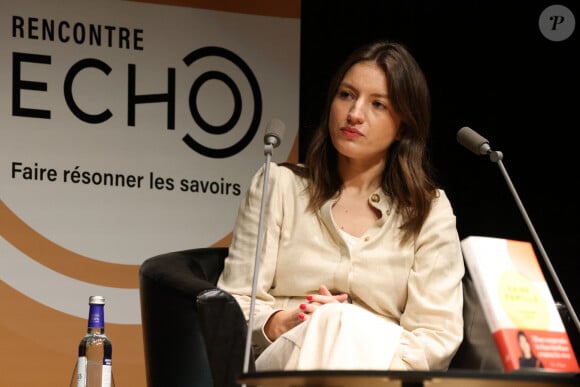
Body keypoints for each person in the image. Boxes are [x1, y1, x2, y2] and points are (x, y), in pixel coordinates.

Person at [217, 39, 464, 371]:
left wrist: (352, 330)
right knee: (331, 322)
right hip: (283, 362)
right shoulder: (279, 186)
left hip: (383, 372)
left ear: (403, 126)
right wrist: (285, 321)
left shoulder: (428, 211)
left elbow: (436, 336)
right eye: (346, 95)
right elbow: (234, 304)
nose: (354, 114)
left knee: (337, 321)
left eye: (378, 104)